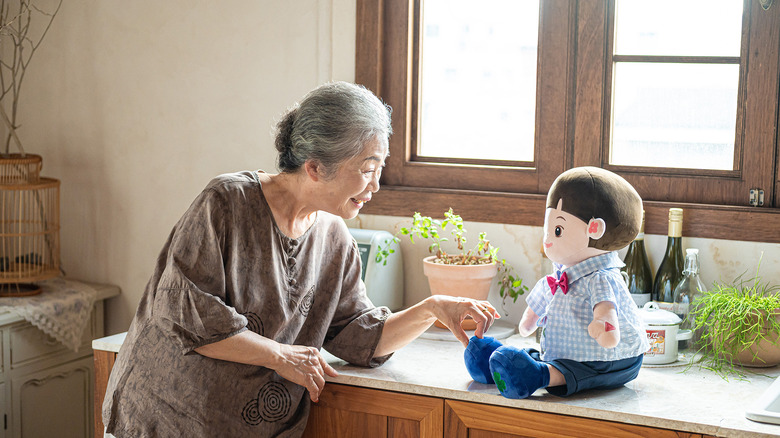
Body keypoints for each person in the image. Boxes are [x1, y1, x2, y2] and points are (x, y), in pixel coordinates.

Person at [102, 81, 499, 437]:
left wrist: (432, 309)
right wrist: (281, 355)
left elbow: (360, 337)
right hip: (164, 421)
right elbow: (186, 316)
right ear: (314, 168)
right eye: (367, 168)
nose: (376, 184)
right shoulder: (226, 202)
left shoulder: (334, 239)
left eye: (381, 167)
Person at [464, 166, 648, 399]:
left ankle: (534, 376)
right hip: (567, 353)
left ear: (595, 230)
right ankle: (494, 361)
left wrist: (603, 326)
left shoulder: (601, 277)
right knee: (548, 358)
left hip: (609, 358)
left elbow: (606, 311)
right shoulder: (560, 276)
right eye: (548, 228)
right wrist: (529, 321)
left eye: (558, 230)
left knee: (570, 370)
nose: (548, 239)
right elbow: (536, 311)